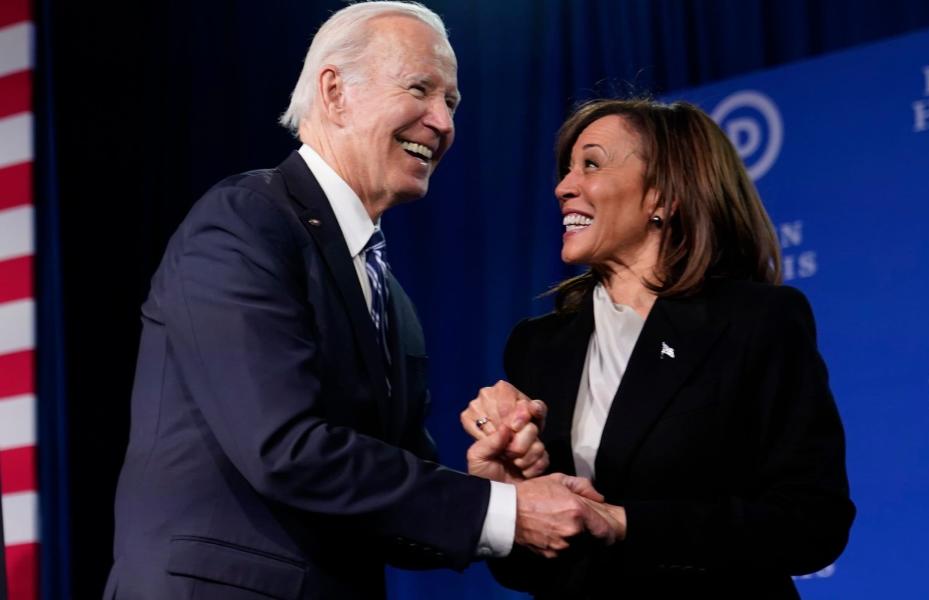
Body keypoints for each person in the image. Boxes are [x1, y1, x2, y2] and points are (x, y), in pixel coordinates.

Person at [104, 3, 614, 599]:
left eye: (451, 103)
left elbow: (380, 509)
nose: (442, 122)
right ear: (335, 91)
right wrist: (499, 511)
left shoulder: (392, 301)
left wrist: (491, 489)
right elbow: (286, 450)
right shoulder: (245, 222)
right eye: (420, 89)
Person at [461, 98, 856, 598]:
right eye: (566, 169)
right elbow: (528, 573)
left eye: (592, 164)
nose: (564, 187)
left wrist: (627, 523)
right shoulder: (538, 347)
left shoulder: (756, 322)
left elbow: (811, 523)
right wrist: (512, 497)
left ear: (663, 197)